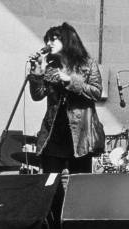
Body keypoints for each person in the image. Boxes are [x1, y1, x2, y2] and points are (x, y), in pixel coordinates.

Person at [29, 22, 105, 174]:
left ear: (67, 40)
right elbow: (37, 96)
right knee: (50, 184)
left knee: (79, 187)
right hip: (53, 135)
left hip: (80, 136)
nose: (49, 43)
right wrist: (37, 71)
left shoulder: (88, 64)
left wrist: (71, 81)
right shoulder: (50, 66)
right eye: (47, 40)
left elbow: (96, 92)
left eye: (54, 39)